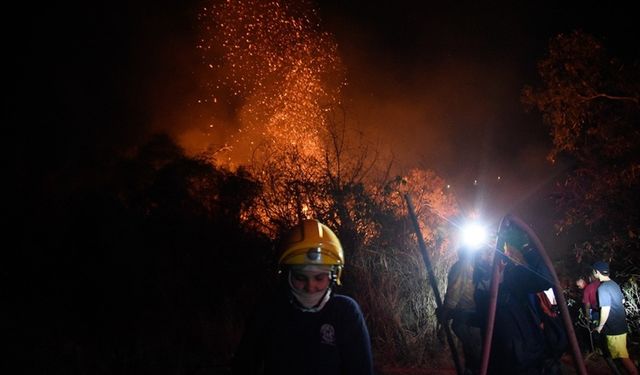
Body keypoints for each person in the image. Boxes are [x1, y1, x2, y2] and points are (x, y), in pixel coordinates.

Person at [231, 219, 374, 375]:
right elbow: (243, 366)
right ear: (286, 275)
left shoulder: (345, 312)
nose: (310, 287)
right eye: (300, 277)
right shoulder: (268, 311)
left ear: (334, 276)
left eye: (319, 278)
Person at [438, 245, 482, 375]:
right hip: (469, 317)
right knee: (474, 352)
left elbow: (452, 294)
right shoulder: (470, 266)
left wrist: (445, 315)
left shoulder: (463, 266)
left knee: (474, 352)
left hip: (468, 317)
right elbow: (454, 294)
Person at [592, 261, 639, 375]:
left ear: (597, 272)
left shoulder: (602, 288)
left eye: (593, 271)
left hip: (614, 328)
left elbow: (605, 309)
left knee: (622, 357)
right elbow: (622, 300)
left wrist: (600, 326)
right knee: (623, 354)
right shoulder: (614, 284)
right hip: (621, 324)